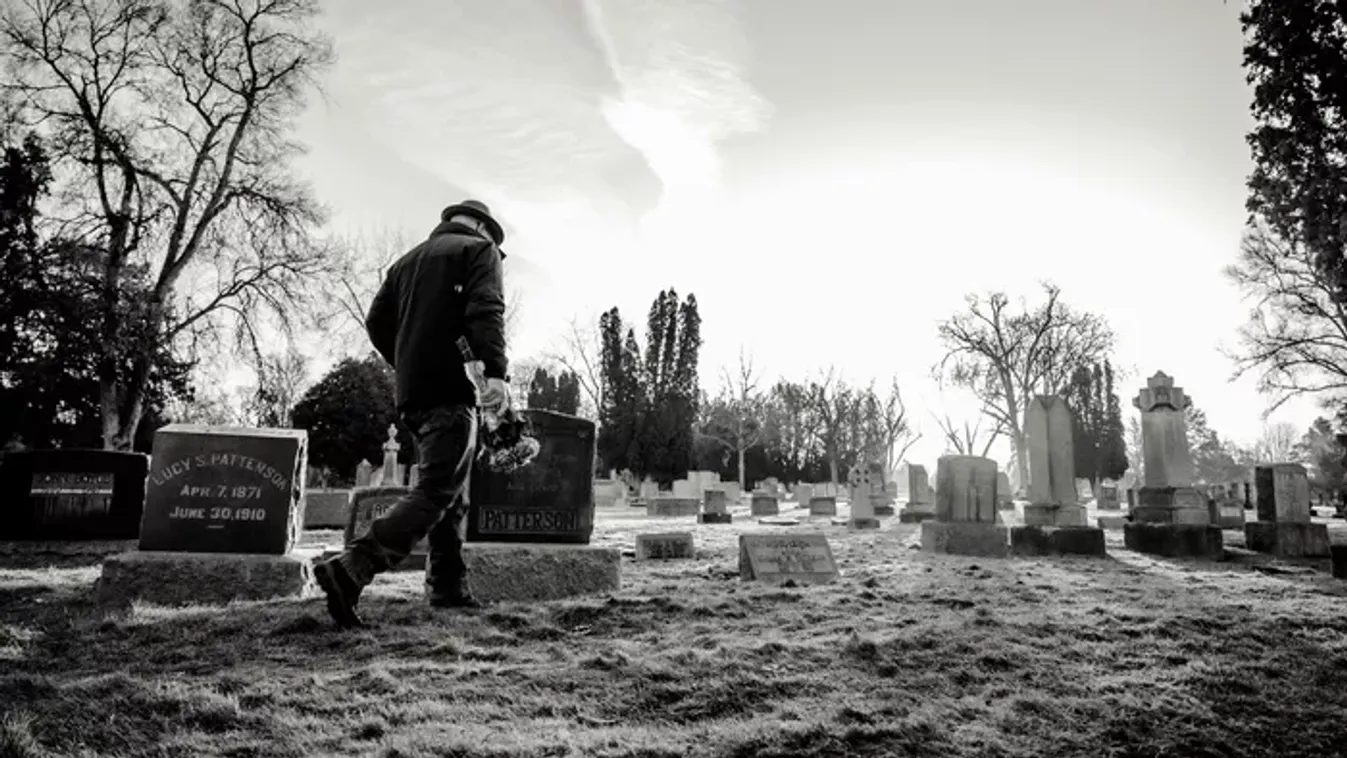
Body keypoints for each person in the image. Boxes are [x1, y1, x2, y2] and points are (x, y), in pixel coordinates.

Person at [313, 199, 511, 629]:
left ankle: (447, 586)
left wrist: (408, 361)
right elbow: (486, 309)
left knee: (449, 492)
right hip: (453, 389)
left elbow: (376, 322)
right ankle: (352, 567)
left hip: (414, 393)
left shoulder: (404, 263)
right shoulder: (478, 251)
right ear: (482, 227)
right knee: (438, 489)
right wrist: (495, 373)